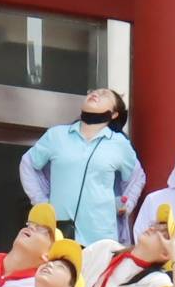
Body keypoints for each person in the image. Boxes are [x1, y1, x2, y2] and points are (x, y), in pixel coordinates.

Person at [18, 87, 139, 247]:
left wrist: (126, 203)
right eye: (93, 92)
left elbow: (137, 177)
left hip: (101, 235)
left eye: (105, 94)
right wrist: (40, 201)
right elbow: (28, 164)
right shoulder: (56, 135)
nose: (96, 94)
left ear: (114, 113)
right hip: (59, 231)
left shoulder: (120, 144)